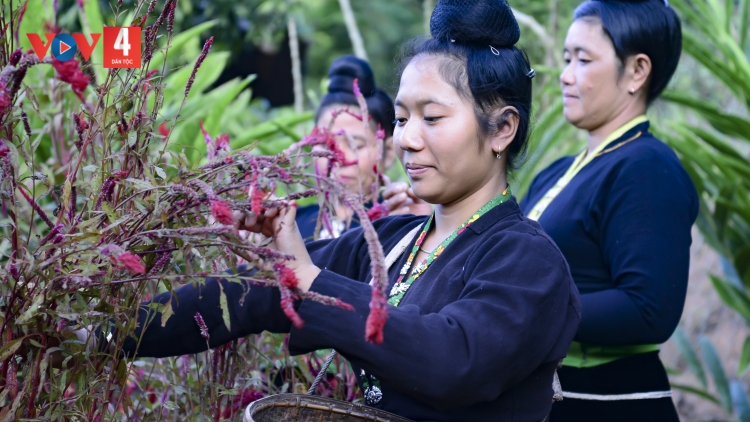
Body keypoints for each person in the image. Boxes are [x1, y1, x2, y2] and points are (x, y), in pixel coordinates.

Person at [104, 1, 581, 420]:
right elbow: (245, 296)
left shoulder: (527, 260)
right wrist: (107, 337)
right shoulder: (393, 242)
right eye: (400, 118)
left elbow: (451, 363)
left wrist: (311, 281)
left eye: (432, 118)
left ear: (502, 129)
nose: (406, 139)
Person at [519, 0, 698, 420]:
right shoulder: (559, 172)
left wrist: (522, 309)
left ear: (637, 71)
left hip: (606, 402)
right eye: (566, 58)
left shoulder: (647, 167)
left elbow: (647, 309)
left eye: (583, 59)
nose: (564, 75)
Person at [295, 55, 397, 240]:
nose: (339, 159)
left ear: (388, 152)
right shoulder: (291, 226)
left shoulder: (398, 225)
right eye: (326, 144)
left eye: (355, 145)